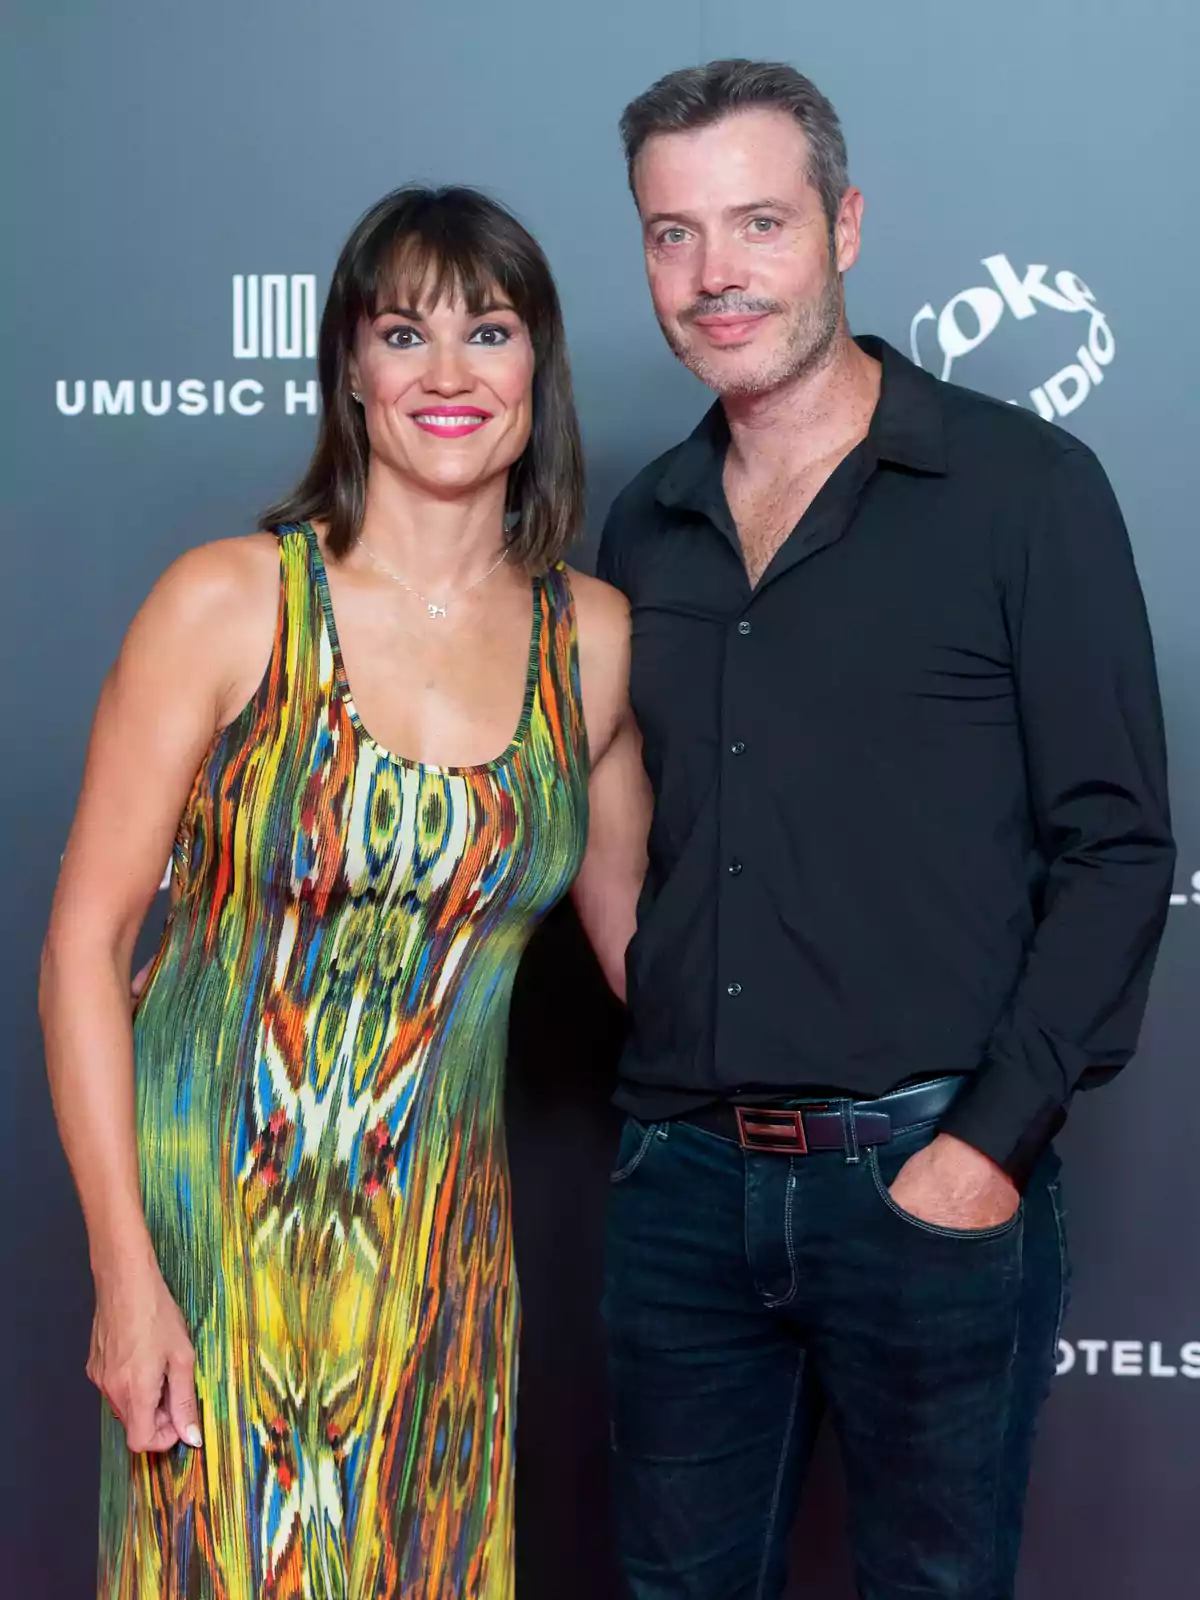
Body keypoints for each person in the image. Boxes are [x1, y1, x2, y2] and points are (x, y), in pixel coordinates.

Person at [597, 59, 1175, 1600]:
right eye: (673, 234)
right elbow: (616, 828)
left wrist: (983, 1151)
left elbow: (1120, 849)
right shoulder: (642, 523)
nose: (716, 275)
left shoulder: (1023, 487)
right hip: (682, 1194)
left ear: (845, 225)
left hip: (928, 1181)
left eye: (759, 222)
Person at [40, 184, 648, 1600]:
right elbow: (84, 943)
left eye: (488, 333)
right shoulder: (230, 599)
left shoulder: (597, 642)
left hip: (441, 1266)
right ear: (349, 372)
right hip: (213, 1250)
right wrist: (126, 1280)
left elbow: (650, 959)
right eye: (404, 332)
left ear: (535, 374)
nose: (448, 374)